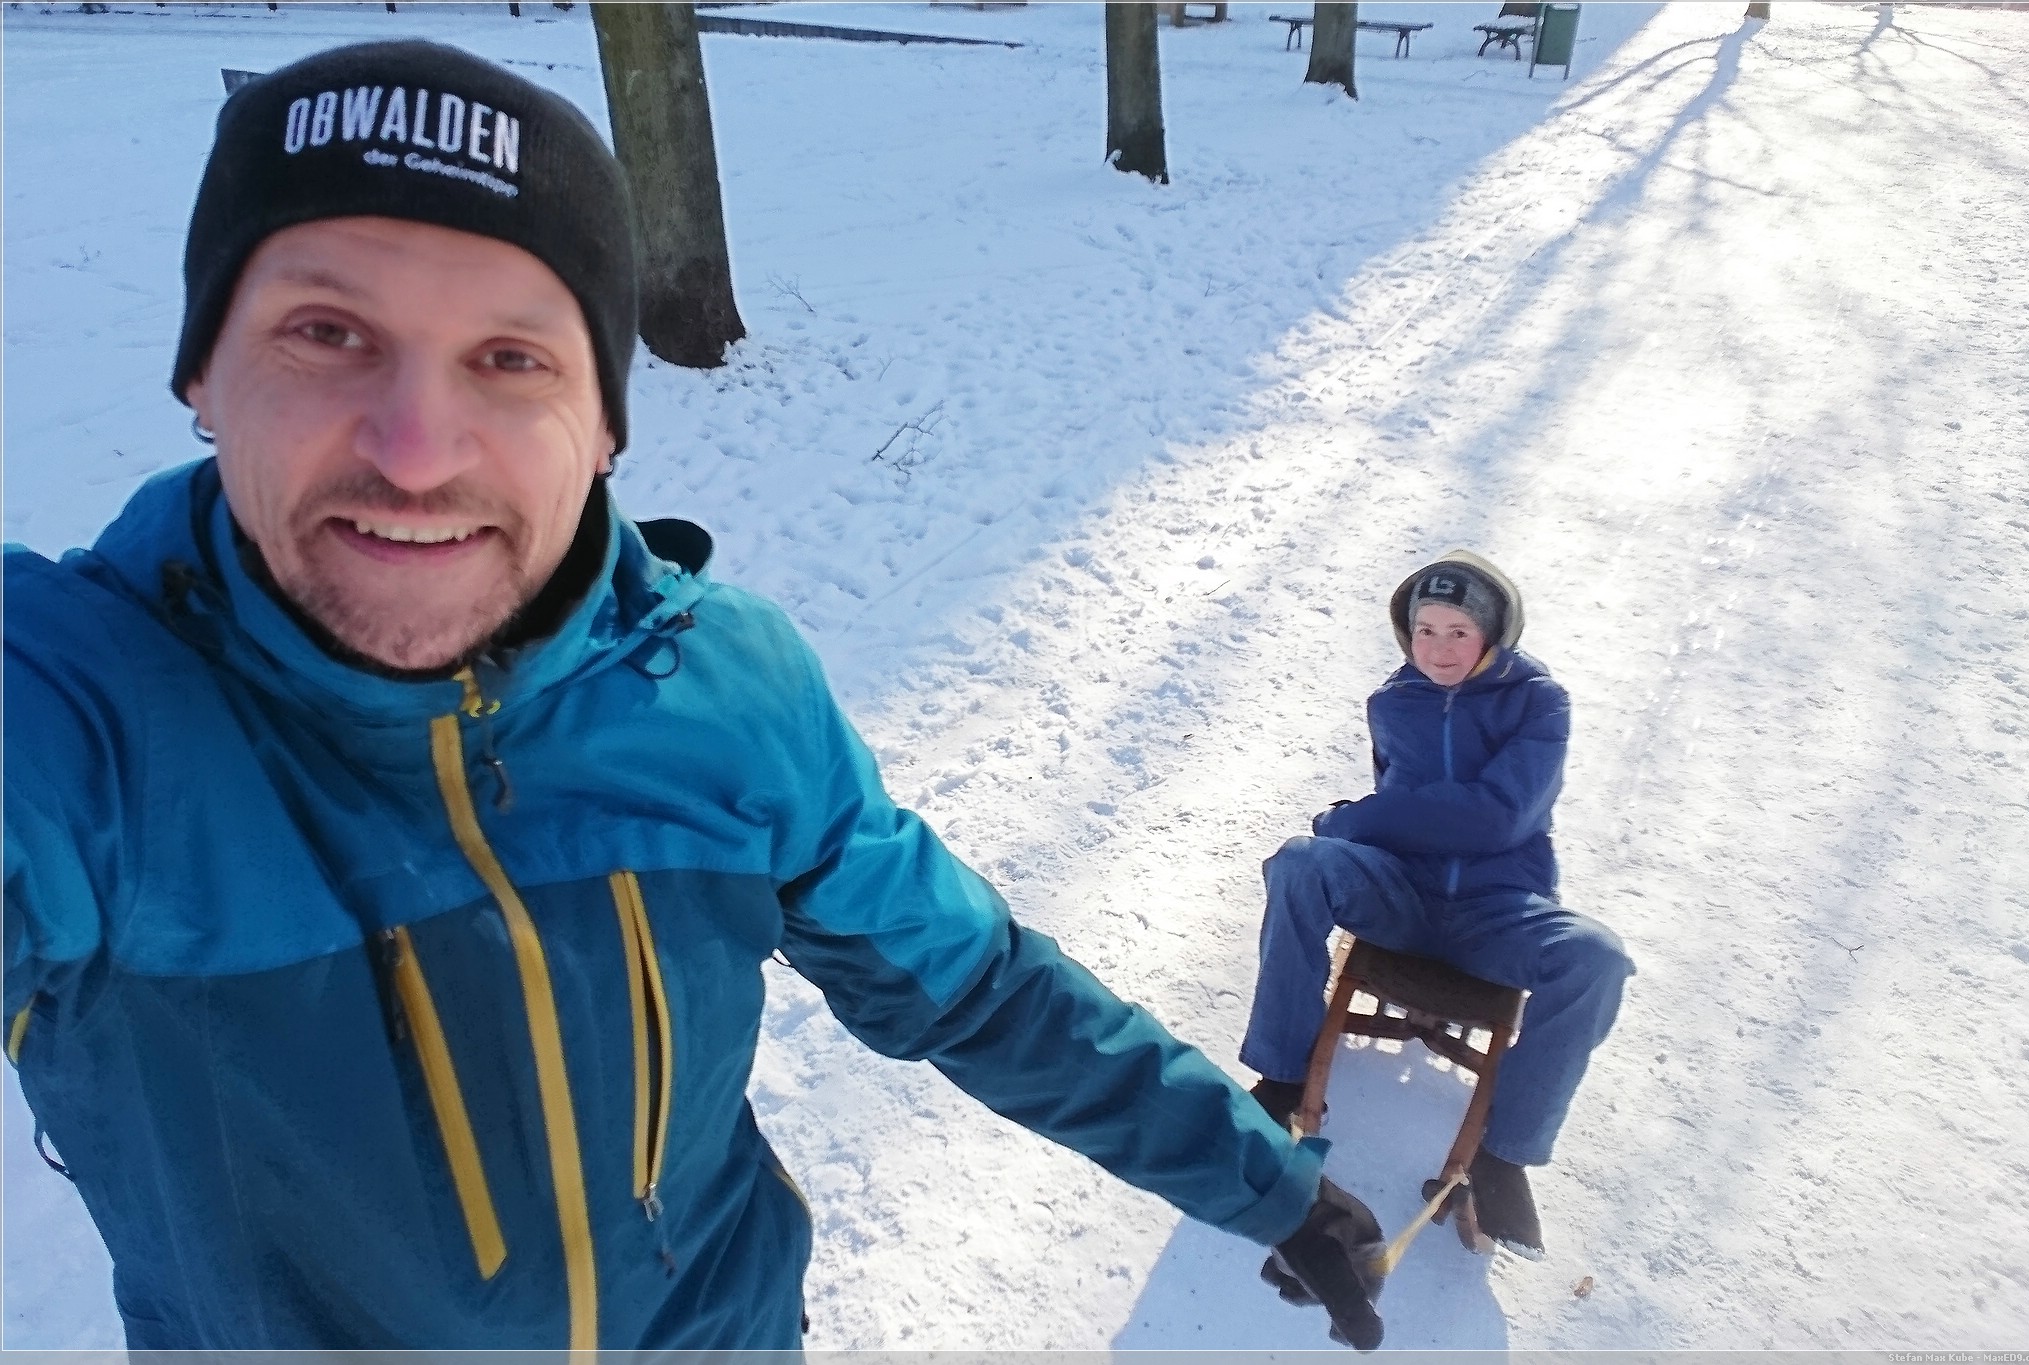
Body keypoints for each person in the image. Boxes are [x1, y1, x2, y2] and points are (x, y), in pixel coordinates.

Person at [1, 39, 1395, 1353]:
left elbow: (975, 988)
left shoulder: (727, 692)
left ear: (605, 423)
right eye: (325, 331)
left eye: (512, 357)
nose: (417, 451)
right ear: (202, 371)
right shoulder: (78, 724)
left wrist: (1263, 1179)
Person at [1237, 552, 1633, 1261]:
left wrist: (1354, 819)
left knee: (1596, 958)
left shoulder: (1539, 703)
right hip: (1402, 897)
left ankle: (1501, 1158)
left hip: (1496, 911)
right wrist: (1363, 831)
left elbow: (1497, 819)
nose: (1438, 649)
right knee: (1300, 863)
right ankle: (1281, 1078)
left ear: (1493, 634)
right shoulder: (1394, 702)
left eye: (1458, 631)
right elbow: (1413, 808)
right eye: (1425, 630)